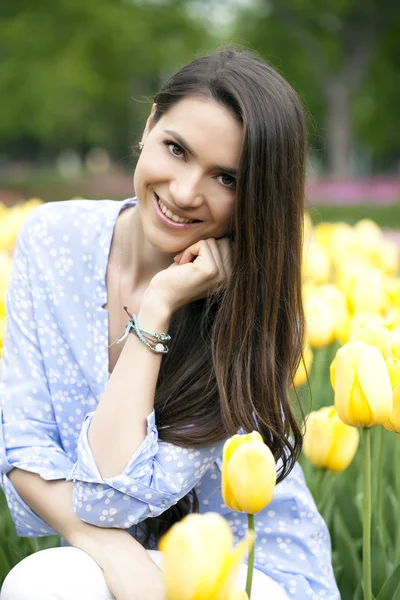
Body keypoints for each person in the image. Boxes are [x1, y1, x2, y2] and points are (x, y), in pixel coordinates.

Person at [0, 48, 340, 599]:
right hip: (114, 563)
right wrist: (113, 551)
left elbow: (110, 496)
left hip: (246, 568)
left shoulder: (242, 309)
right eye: (176, 149)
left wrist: (159, 305)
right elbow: (22, 446)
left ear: (256, 196)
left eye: (226, 178)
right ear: (149, 123)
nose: (185, 193)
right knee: (42, 581)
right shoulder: (52, 239)